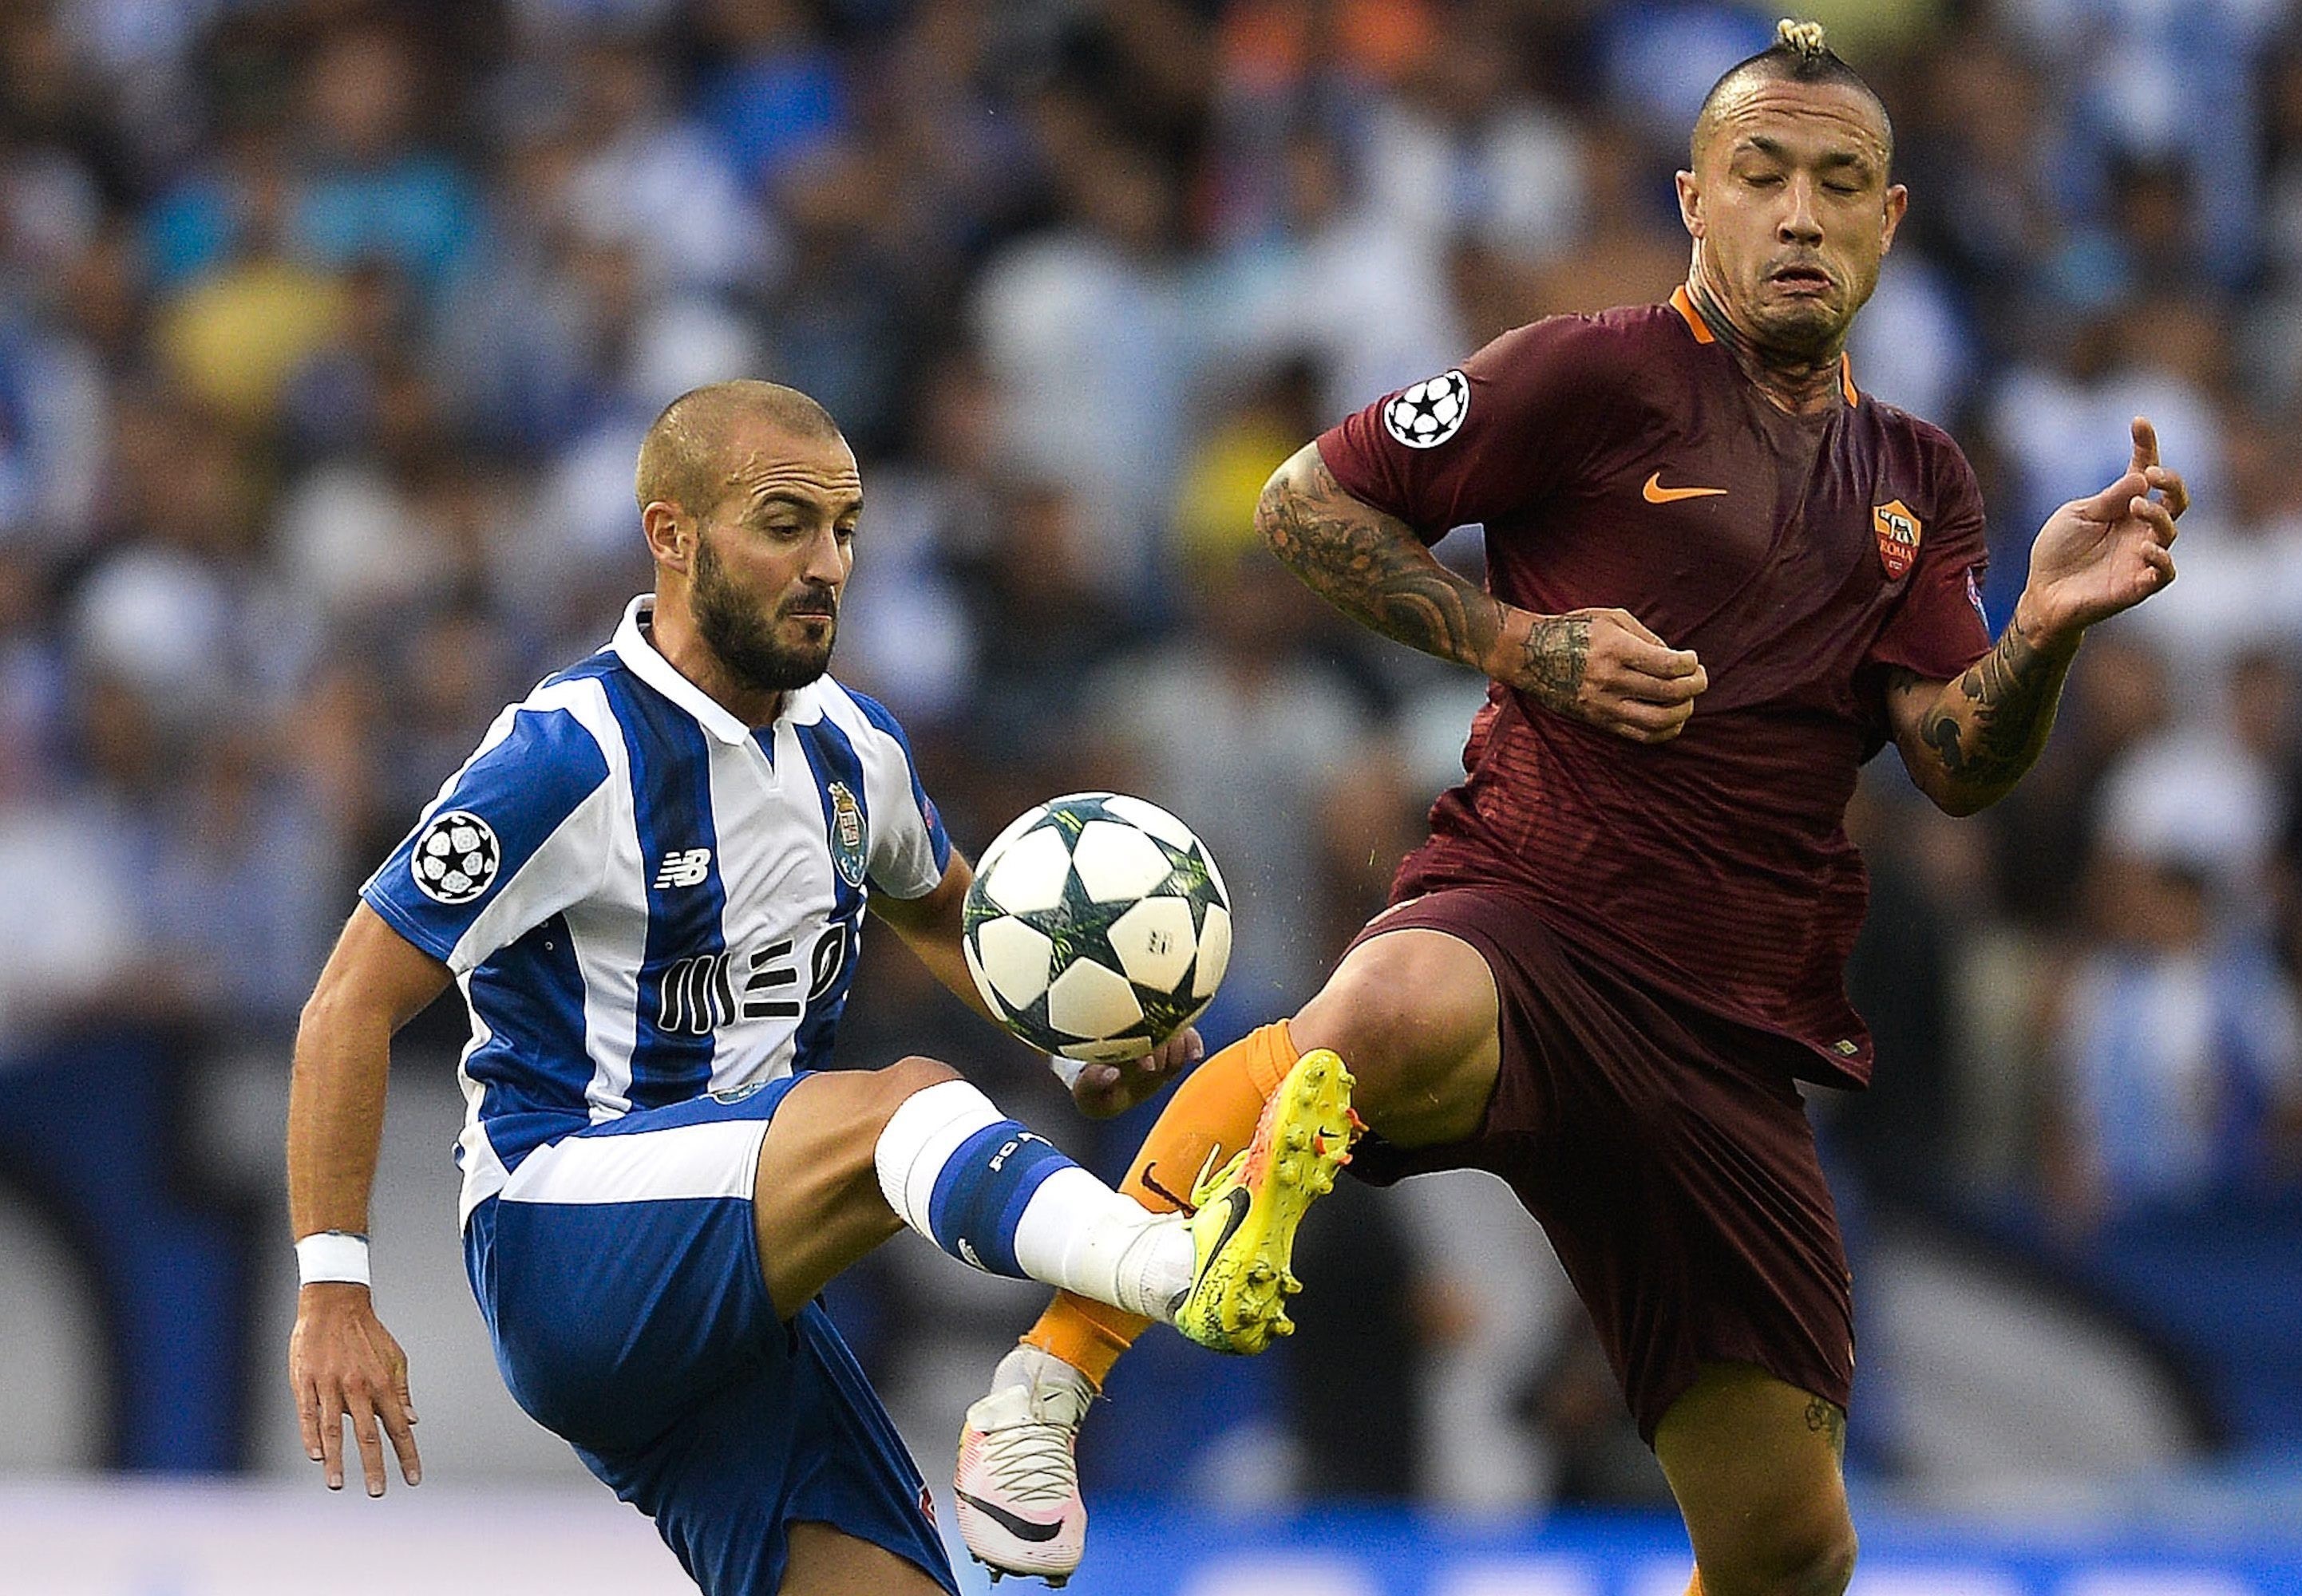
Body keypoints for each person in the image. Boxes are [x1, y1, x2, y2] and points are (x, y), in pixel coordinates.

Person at [953, 20, 2189, 1594]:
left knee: (1792, 1552)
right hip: (1535, 920)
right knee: (1378, 1011)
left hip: (1731, 1032)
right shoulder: (1590, 372)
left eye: (1839, 184)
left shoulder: (1918, 476)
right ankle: (1044, 1386)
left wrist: (2045, 633)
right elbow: (1304, 503)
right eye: (1761, 175)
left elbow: (1956, 761)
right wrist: (1526, 643)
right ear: (1693, 199)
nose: (1799, 215)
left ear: (1889, 221)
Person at [282, 378, 1359, 1596]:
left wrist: (1073, 1046)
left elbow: (943, 909)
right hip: (567, 1237)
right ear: (672, 534)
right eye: (786, 525)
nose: (828, 566)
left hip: (746, 1289)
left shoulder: (857, 746)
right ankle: (1161, 1273)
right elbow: (348, 1002)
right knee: (905, 1105)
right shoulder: (566, 755)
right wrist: (334, 1288)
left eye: (845, 530)